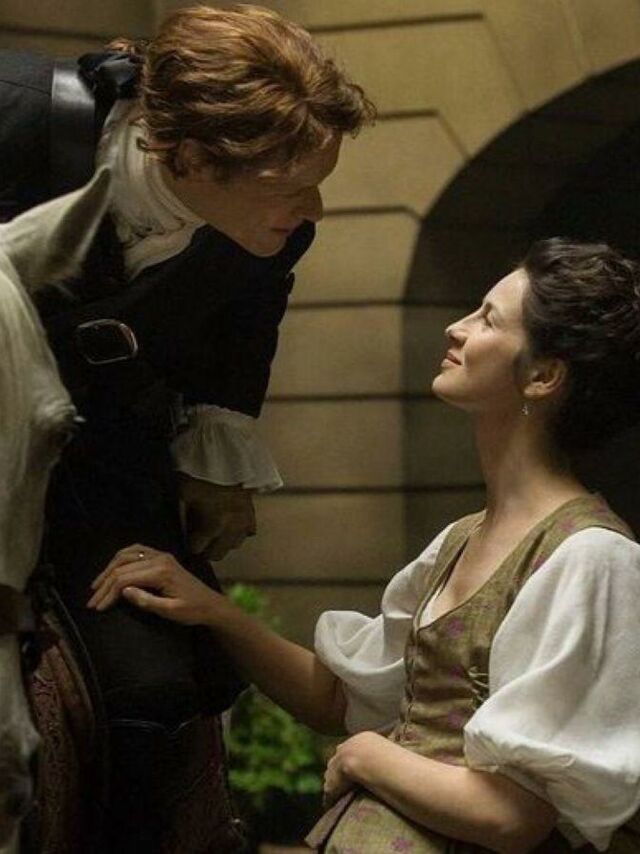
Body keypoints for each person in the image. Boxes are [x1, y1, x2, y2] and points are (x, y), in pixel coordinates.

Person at [90, 237, 640, 852]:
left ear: (542, 376)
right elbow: (335, 699)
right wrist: (209, 609)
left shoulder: (591, 558)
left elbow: (512, 817)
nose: (456, 328)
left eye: (488, 319)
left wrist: (366, 757)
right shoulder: (461, 539)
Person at [0, 5, 374, 852]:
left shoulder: (274, 228)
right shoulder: (16, 112)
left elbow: (245, 321)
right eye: (291, 186)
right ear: (193, 158)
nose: (315, 209)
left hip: (105, 454)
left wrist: (216, 449)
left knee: (155, 690)